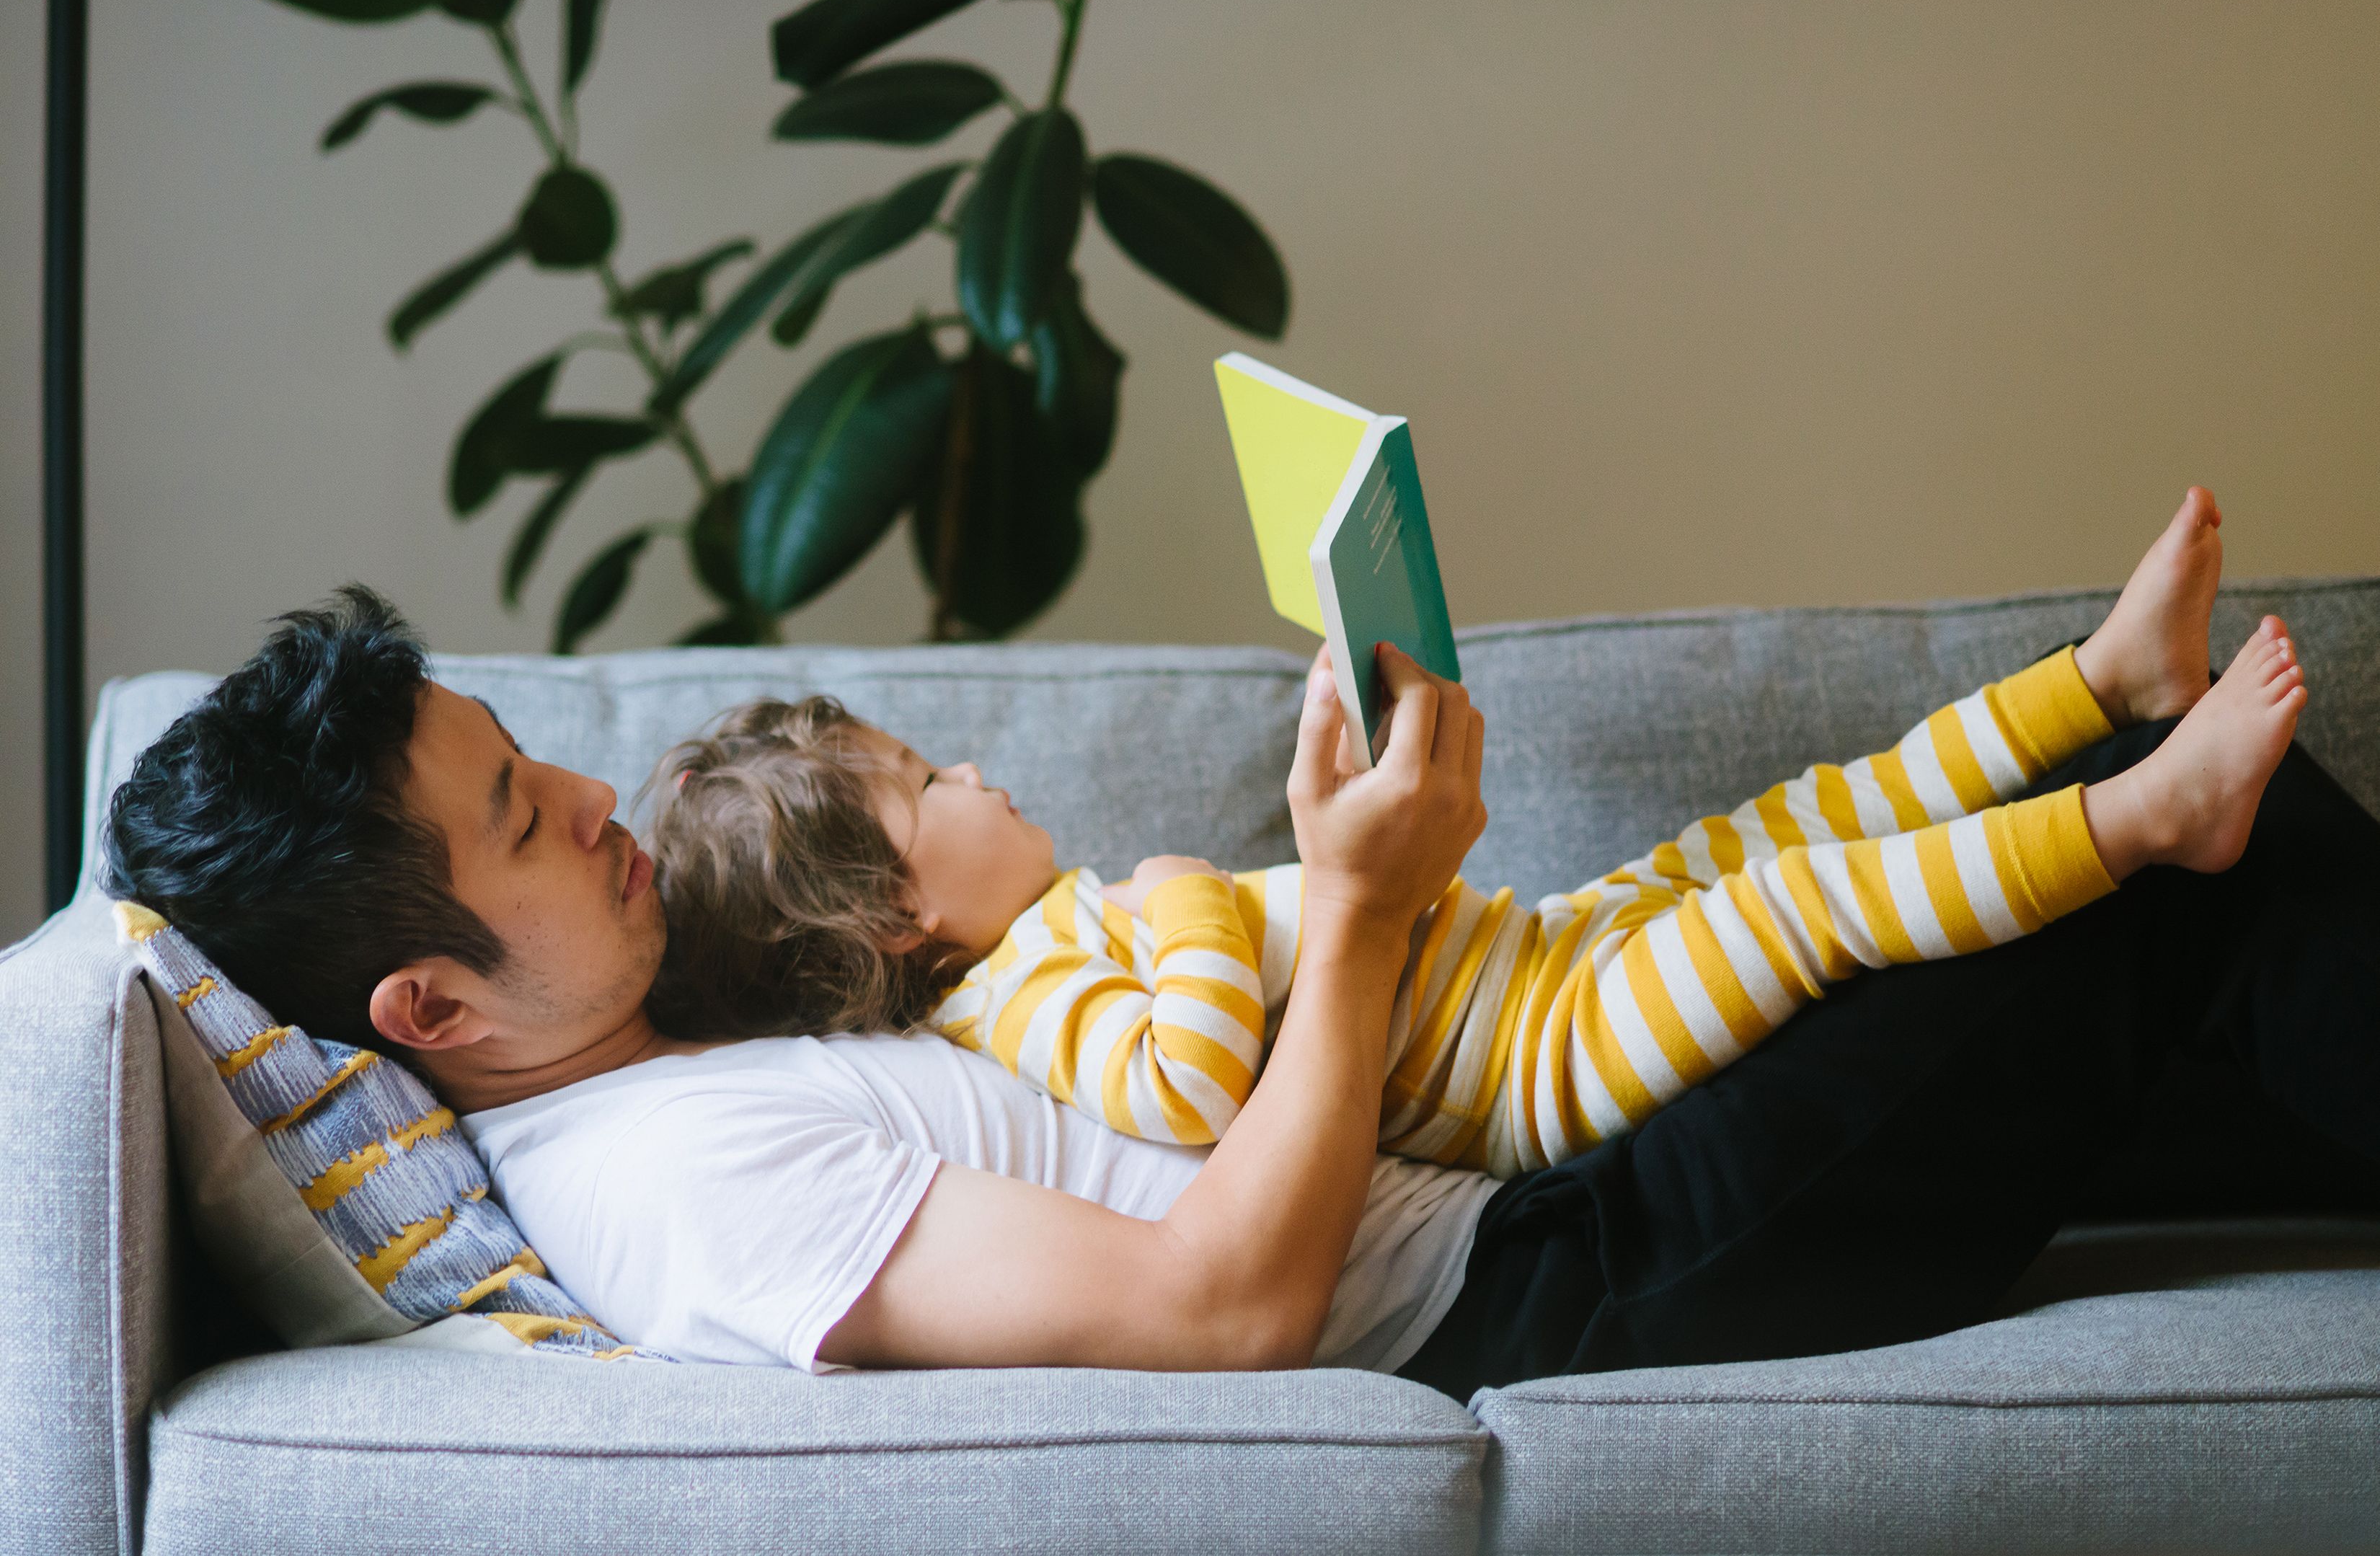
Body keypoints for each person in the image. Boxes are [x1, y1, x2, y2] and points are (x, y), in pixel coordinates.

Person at [98, 490, 2380, 1390]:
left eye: (540, 762)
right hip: (1561, 1288)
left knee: (2114, 861)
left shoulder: (671, 1056)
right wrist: (1363, 906)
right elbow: (1225, 1300)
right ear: (428, 1008)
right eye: (521, 817)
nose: (597, 802)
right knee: (2195, 859)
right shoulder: (669, 1186)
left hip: (1533, 1190)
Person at [639, 490, 2303, 1179]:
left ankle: (2101, 679)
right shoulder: (1022, 1005)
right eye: (931, 792)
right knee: (1808, 898)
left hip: (1549, 959)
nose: (978, 778)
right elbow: (1196, 1087)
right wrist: (1185, 900)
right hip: (1539, 1072)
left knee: (1779, 823)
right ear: (897, 930)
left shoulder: (1054, 927)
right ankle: (2151, 817)